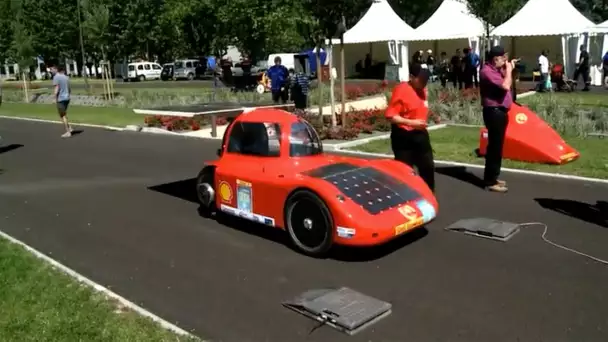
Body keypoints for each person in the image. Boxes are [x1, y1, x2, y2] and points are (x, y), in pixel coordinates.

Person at [385, 63, 439, 192]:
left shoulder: (423, 90)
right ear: (411, 77)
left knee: (427, 167)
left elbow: (419, 107)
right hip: (403, 136)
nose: (424, 82)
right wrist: (411, 123)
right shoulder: (401, 90)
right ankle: (406, 199)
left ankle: (428, 195)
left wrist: (433, 115)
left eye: (426, 79)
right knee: (405, 172)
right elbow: (391, 117)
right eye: (421, 79)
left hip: (420, 135)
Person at [479, 46, 515, 193]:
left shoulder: (495, 70)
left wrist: (509, 68)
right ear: (495, 59)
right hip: (494, 112)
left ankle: (493, 176)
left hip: (500, 111)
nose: (505, 61)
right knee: (494, 146)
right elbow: (506, 85)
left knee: (498, 146)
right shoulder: (487, 72)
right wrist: (510, 71)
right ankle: (490, 180)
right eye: (503, 58)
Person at [50, 64, 73, 138]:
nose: (51, 71)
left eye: (52, 69)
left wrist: (54, 98)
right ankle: (69, 128)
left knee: (62, 115)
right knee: (64, 114)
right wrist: (68, 95)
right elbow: (69, 88)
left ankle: (68, 132)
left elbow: (56, 88)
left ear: (56, 69)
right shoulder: (66, 77)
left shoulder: (56, 77)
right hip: (67, 98)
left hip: (61, 98)